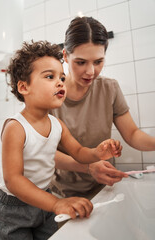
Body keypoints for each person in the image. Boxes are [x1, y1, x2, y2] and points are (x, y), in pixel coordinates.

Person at [0, 41, 123, 240]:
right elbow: (13, 180)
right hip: (14, 208)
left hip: (44, 201)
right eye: (50, 76)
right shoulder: (16, 127)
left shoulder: (57, 124)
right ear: (24, 86)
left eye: (62, 77)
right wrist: (55, 203)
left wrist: (98, 152)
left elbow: (79, 152)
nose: (60, 82)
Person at [49, 16, 155, 199]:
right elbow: (44, 152)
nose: (91, 72)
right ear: (65, 56)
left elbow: (132, 134)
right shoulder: (50, 94)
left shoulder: (110, 88)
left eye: (98, 62)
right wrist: (88, 167)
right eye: (81, 62)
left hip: (105, 188)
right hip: (64, 195)